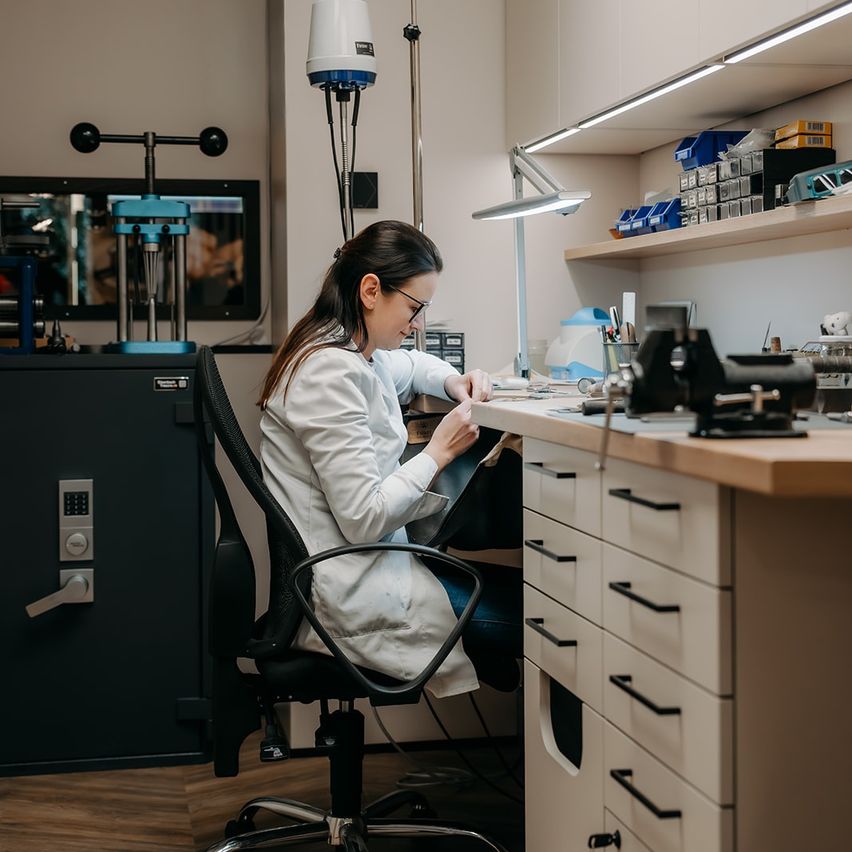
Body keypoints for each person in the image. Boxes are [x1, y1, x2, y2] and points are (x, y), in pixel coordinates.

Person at [258, 220, 520, 698]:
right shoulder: (328, 372)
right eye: (414, 308)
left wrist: (454, 381)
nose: (418, 323)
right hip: (353, 591)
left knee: (537, 599)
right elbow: (364, 519)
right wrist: (439, 451)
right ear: (371, 290)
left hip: (374, 566)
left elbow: (414, 366)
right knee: (546, 614)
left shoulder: (352, 351)